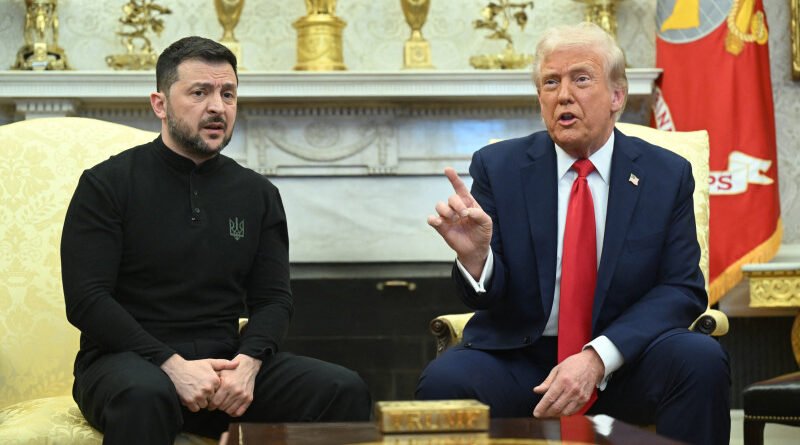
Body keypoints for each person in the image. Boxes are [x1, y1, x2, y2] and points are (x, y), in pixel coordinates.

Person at [416, 22, 730, 445]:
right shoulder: (500, 168)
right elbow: (487, 296)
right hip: (524, 359)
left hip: (627, 359)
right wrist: (477, 261)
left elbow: (681, 288)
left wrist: (598, 357)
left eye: (581, 79)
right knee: (444, 382)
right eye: (551, 82)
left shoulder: (665, 174)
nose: (563, 94)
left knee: (700, 360)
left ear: (617, 96)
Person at [61, 36, 371, 444]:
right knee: (145, 395)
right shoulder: (107, 184)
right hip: (126, 361)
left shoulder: (257, 193)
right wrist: (171, 365)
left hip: (224, 363)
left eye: (228, 94)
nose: (217, 107)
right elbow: (87, 300)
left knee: (342, 388)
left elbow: (274, 299)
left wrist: (249, 363)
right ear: (160, 104)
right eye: (199, 92)